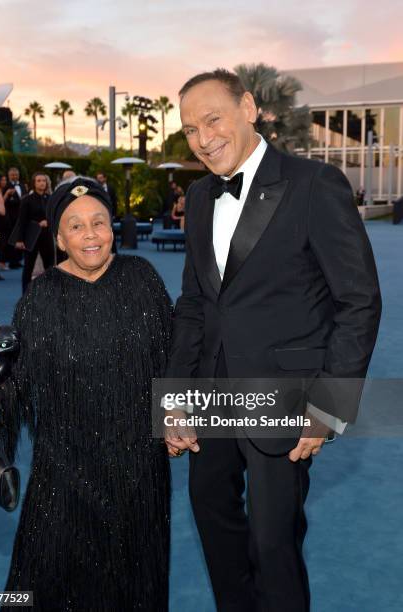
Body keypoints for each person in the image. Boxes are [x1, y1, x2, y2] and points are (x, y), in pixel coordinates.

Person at [164, 69, 381, 612]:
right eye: (190, 129)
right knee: (214, 526)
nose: (203, 137)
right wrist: (173, 400)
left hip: (282, 398)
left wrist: (328, 407)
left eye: (212, 119)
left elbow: (358, 301)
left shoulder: (313, 184)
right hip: (210, 395)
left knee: (273, 541)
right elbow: (193, 306)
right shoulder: (197, 197)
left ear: (248, 107)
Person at [0, 176, 172, 611]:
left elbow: (175, 362)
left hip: (139, 476)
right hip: (63, 475)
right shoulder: (40, 297)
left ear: (112, 226)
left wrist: (180, 417)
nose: (90, 234)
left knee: (134, 585)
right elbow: (17, 377)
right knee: (46, 584)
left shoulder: (143, 280)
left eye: (98, 222)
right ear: (57, 236)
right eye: (75, 226)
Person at [12, 172, 54, 293]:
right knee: (28, 267)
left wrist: (48, 222)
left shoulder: (50, 199)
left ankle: (50, 292)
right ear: (34, 183)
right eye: (39, 181)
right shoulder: (27, 200)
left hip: (46, 237)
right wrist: (19, 240)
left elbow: (55, 217)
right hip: (31, 237)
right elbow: (21, 220)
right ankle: (25, 293)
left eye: (44, 181)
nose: (42, 183)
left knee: (50, 267)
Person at [0, 167, 26, 270]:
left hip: (21, 218)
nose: (14, 176)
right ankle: (5, 261)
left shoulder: (22, 185)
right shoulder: (6, 186)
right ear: (9, 176)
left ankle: (16, 261)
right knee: (8, 240)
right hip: (9, 219)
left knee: (19, 239)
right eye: (12, 175)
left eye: (16, 174)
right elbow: (1, 201)